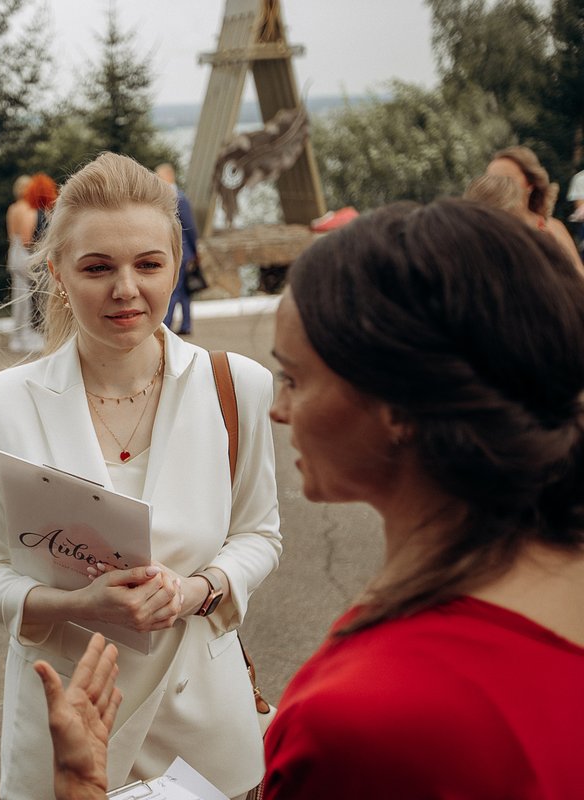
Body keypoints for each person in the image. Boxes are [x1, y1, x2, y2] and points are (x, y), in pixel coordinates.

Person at [43, 198, 584, 800]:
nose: (278, 409)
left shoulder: (358, 719)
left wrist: (82, 791)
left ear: (396, 404)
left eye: (296, 379)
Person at [0, 152, 282, 799]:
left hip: (200, 731)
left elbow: (258, 534)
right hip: (67, 728)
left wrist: (198, 591)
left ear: (177, 265)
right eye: (98, 267)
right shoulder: (4, 402)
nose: (126, 289)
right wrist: (79, 606)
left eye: (148, 265)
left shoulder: (236, 387)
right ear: (57, 272)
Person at [486, 145, 584, 273]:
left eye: (507, 179)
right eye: (490, 179)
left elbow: (579, 278)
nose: (496, 186)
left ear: (530, 184)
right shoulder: (481, 229)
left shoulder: (552, 228)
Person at [154, 163, 200, 336]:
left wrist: (195, 250)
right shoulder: (163, 197)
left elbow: (190, 226)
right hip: (173, 249)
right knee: (183, 290)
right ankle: (186, 325)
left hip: (182, 251)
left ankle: (167, 325)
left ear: (169, 176)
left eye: (159, 176)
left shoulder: (179, 198)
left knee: (175, 288)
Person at [6, 174, 42, 353]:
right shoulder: (28, 208)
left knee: (18, 295)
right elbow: (27, 240)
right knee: (26, 297)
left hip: (13, 250)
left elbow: (11, 235)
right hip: (24, 254)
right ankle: (24, 335)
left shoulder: (12, 208)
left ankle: (18, 336)